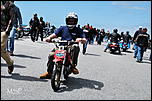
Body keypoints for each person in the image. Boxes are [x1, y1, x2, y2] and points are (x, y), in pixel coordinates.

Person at [40, 12, 86, 79]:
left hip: (71, 46)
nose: (71, 22)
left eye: (72, 21)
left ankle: (73, 66)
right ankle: (49, 73)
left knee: (76, 47)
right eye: (69, 20)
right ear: (66, 21)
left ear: (75, 21)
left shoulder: (78, 30)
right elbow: (55, 34)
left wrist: (81, 39)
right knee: (51, 55)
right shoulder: (62, 28)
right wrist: (49, 38)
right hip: (61, 47)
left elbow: (84, 39)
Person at [1, 1, 16, 74]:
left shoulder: (10, 5)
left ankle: (10, 63)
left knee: (1, 50)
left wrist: (7, 30)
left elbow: (12, 18)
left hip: (3, 30)